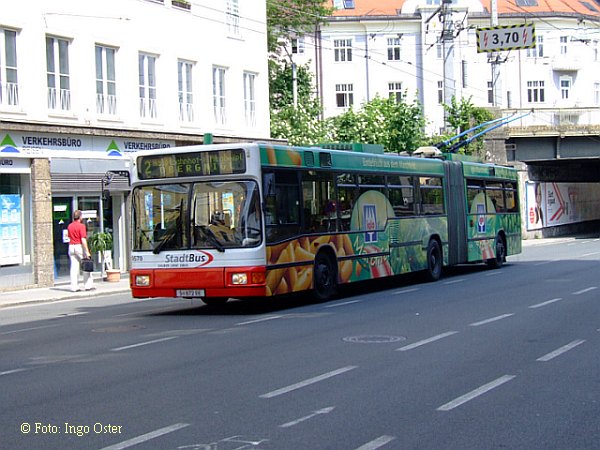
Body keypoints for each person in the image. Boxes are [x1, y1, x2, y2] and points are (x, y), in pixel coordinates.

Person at [67, 209, 94, 292]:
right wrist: (87, 252)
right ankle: (88, 286)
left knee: (74, 268)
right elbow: (83, 240)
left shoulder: (70, 226)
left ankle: (74, 287)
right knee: (86, 266)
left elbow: (69, 236)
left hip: (71, 246)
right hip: (79, 246)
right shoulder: (81, 226)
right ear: (80, 217)